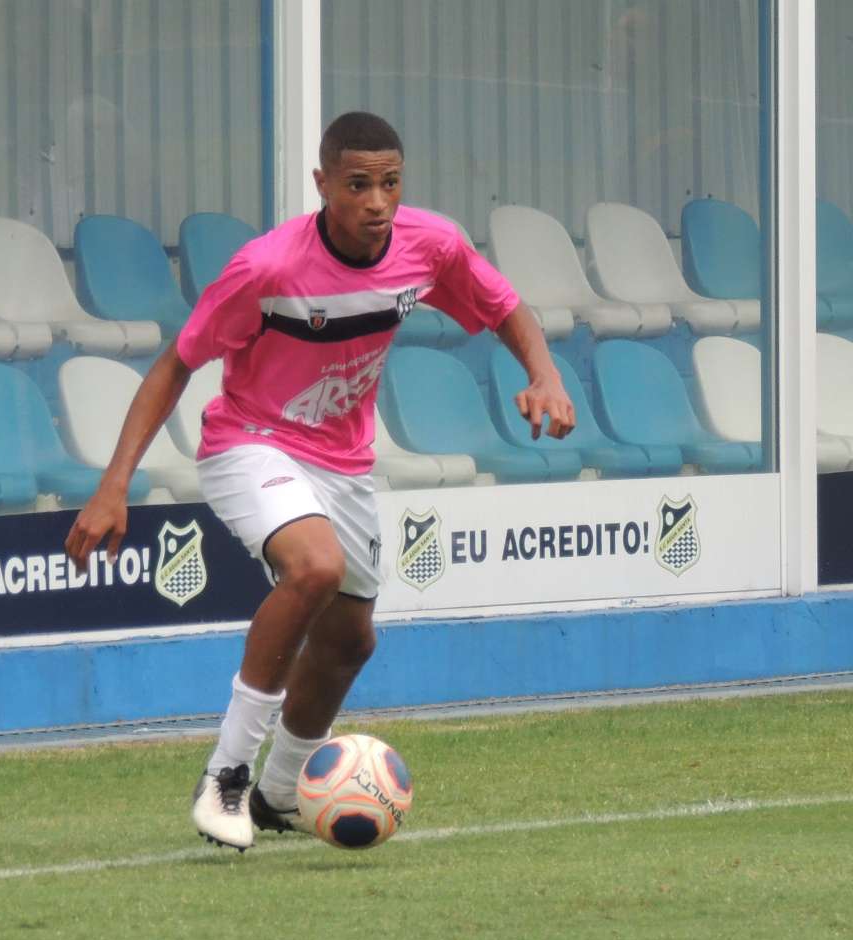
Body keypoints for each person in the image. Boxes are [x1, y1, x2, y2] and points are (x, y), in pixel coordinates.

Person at [65, 111, 575, 851]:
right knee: (316, 568)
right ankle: (228, 775)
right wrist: (115, 484)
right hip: (251, 441)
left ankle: (278, 795)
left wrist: (545, 373)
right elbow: (178, 362)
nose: (377, 202)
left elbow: (504, 306)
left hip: (342, 461)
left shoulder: (427, 244)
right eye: (357, 184)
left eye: (390, 184)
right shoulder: (267, 269)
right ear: (322, 185)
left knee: (349, 641)